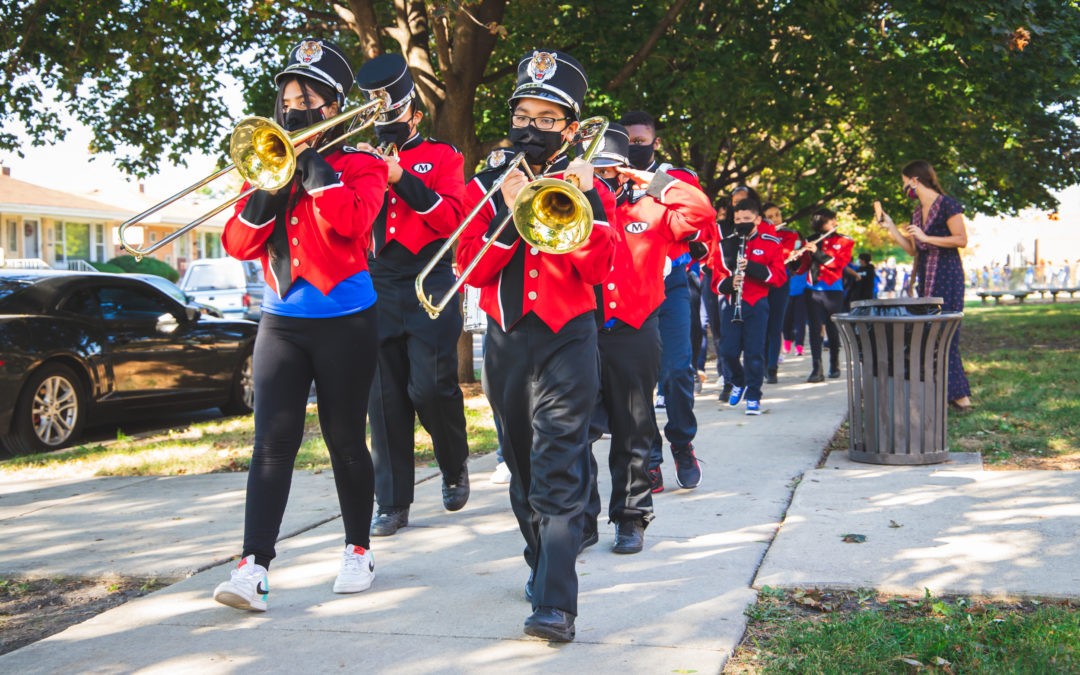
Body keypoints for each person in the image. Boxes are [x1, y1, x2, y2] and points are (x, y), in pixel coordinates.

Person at [213, 38, 387, 612]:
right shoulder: (266, 169)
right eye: (286, 98)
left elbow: (355, 223)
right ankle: (252, 567)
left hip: (347, 319)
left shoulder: (360, 165)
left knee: (344, 441)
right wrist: (270, 187)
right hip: (281, 321)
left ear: (331, 106)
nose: (292, 108)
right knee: (271, 444)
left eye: (304, 98)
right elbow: (238, 242)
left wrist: (314, 167)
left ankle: (358, 548)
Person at [456, 49, 616, 642]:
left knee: (558, 466)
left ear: (569, 130)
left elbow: (602, 266)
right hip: (506, 339)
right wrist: (504, 204)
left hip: (568, 338)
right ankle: (541, 560)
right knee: (521, 468)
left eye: (547, 119)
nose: (531, 128)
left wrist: (579, 199)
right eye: (523, 115)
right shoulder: (485, 183)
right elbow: (471, 268)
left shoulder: (586, 185)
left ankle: (556, 603)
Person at [351, 54, 470, 537]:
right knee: (383, 401)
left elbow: (452, 221)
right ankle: (393, 502)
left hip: (429, 278)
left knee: (431, 388)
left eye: (393, 112)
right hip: (376, 280)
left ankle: (453, 462)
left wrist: (402, 179)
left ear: (415, 115)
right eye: (377, 113)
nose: (386, 123)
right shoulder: (359, 159)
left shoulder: (444, 157)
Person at [583, 124, 715, 554]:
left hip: (635, 328)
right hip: (580, 329)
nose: (606, 178)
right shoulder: (571, 207)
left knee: (632, 426)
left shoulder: (651, 208)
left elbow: (701, 215)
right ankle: (581, 520)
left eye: (613, 169)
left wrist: (653, 181)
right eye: (597, 170)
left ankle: (631, 517)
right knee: (576, 432)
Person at [621, 110, 707, 493]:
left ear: (655, 143)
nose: (633, 148)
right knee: (638, 381)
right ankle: (650, 458)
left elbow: (699, 216)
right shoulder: (608, 176)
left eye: (641, 142)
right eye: (627, 142)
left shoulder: (679, 176)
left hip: (670, 286)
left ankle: (681, 441)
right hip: (627, 290)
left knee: (676, 371)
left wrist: (646, 181)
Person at [876, 160, 972, 411]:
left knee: (946, 333)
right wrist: (892, 228)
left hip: (947, 275)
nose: (904, 187)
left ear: (915, 180)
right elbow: (913, 249)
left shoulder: (947, 204)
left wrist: (927, 237)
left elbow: (961, 239)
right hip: (926, 279)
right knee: (929, 333)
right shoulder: (917, 213)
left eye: (904, 182)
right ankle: (947, 394)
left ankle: (958, 396)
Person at [710, 199, 786, 414]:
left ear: (758, 220)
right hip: (733, 303)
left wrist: (752, 267)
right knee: (727, 352)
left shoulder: (771, 242)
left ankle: (754, 395)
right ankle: (738, 381)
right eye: (738, 219)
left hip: (757, 303)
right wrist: (729, 283)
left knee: (754, 353)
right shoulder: (726, 245)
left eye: (747, 219)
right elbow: (716, 281)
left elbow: (779, 277)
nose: (742, 222)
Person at [791, 208, 853, 382]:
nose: (833, 223)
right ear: (819, 222)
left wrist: (816, 251)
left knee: (832, 329)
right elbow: (803, 267)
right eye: (828, 220)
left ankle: (834, 364)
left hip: (833, 290)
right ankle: (816, 369)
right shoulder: (810, 240)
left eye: (833, 219)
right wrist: (794, 259)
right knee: (815, 329)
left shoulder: (844, 241)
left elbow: (837, 264)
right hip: (812, 290)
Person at [762, 202, 799, 384]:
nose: (775, 219)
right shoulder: (756, 235)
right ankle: (762, 364)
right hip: (759, 282)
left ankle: (772, 368)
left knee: (776, 326)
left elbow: (783, 254)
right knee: (761, 325)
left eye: (777, 214)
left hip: (780, 282)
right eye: (770, 216)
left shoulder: (789, 234)